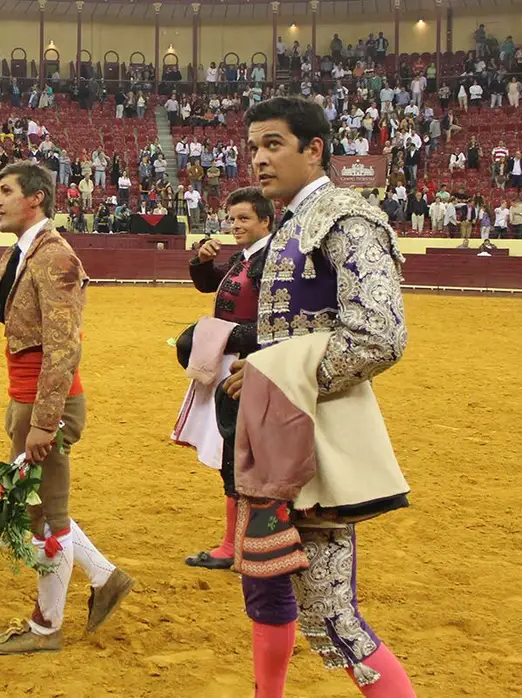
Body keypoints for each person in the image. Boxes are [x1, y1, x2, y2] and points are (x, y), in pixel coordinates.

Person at [232, 97, 415, 697]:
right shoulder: (292, 220)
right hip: (283, 434)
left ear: (315, 149)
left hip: (319, 443)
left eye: (274, 145)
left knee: (334, 618)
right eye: (254, 146)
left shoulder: (345, 217)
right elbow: (300, 328)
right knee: (264, 582)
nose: (258, 159)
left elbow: (379, 335)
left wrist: (274, 379)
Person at [0, 162, 134, 655]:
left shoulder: (54, 258)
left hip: (44, 404)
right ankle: (105, 576)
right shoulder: (23, 253)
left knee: (45, 517)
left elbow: (62, 345)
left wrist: (44, 421)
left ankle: (45, 629)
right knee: (44, 506)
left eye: (5, 190)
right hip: (28, 400)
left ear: (35, 198)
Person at [174, 187, 272, 571]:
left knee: (239, 455)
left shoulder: (269, 262)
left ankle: (235, 544)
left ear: (266, 221)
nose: (236, 226)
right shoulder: (245, 257)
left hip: (250, 368)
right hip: (234, 363)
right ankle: (241, 541)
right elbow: (208, 284)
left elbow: (271, 325)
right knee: (235, 454)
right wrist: (200, 261)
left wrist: (223, 335)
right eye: (232, 219)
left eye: (244, 218)